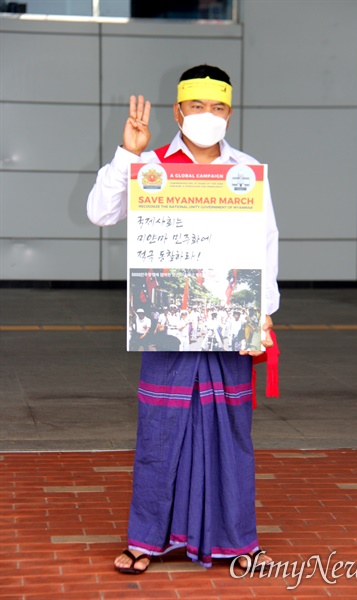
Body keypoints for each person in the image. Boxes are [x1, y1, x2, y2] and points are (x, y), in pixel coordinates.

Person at [87, 64, 279, 574]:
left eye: (218, 107)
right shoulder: (150, 166)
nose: (208, 116)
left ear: (230, 113)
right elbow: (100, 212)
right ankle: (146, 539)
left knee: (232, 430)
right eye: (197, 106)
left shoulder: (247, 171)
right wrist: (127, 152)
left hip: (230, 320)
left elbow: (265, 244)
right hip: (169, 321)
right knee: (160, 428)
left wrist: (263, 314)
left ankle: (238, 539)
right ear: (178, 111)